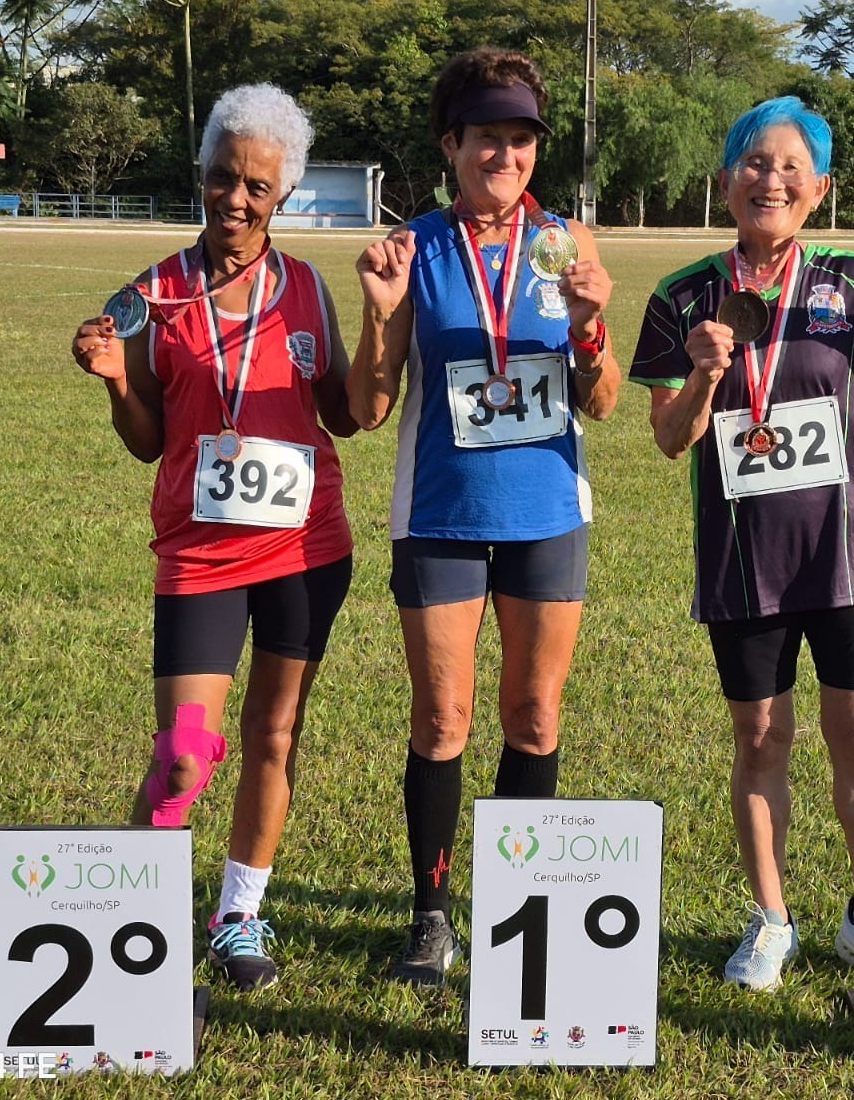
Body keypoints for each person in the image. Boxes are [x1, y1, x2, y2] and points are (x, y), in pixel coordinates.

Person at [629, 97, 854, 989]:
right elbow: (671, 439)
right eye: (753, 163)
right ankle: (772, 919)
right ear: (725, 181)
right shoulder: (681, 297)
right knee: (759, 740)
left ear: (818, 188)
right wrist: (706, 373)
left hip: (849, 555)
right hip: (743, 563)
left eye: (791, 167)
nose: (770, 180)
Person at [70, 83, 358, 992]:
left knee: (274, 735)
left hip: (307, 552)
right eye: (222, 178)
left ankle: (238, 913)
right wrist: (118, 381)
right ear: (199, 175)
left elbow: (346, 415)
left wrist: (387, 320)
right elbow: (149, 441)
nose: (237, 200)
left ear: (284, 197)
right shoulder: (150, 295)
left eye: (258, 188)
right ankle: (132, 910)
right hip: (199, 557)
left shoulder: (307, 286)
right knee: (184, 753)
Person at [350, 46, 621, 986]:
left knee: (535, 716)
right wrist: (382, 313)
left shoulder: (571, 245)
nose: (503, 156)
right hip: (440, 515)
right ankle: (431, 915)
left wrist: (589, 325)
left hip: (548, 512)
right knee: (443, 718)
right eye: (485, 139)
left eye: (519, 140)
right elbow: (370, 405)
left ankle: (520, 909)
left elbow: (605, 399)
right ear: (450, 144)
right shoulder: (412, 247)